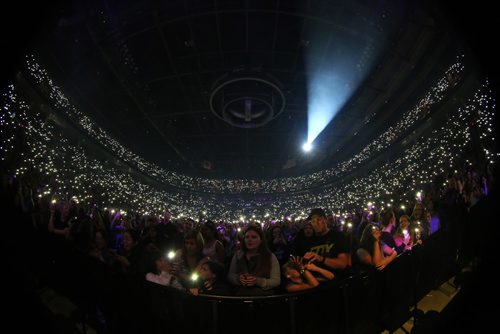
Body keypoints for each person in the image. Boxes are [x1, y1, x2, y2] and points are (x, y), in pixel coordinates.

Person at [227, 224, 280, 295]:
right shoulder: (238, 255)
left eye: (254, 237)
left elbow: (276, 281)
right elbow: (230, 275)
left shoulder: (270, 256)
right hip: (241, 295)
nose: (249, 239)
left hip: (263, 296)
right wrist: (239, 279)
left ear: (261, 240)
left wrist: (257, 281)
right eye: (247, 237)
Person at [301, 208, 350, 279]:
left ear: (325, 219)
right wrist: (300, 267)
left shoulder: (337, 236)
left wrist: (321, 259)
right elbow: (304, 268)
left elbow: (342, 264)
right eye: (313, 221)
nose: (316, 223)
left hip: (336, 280)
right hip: (316, 282)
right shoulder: (309, 241)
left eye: (319, 219)